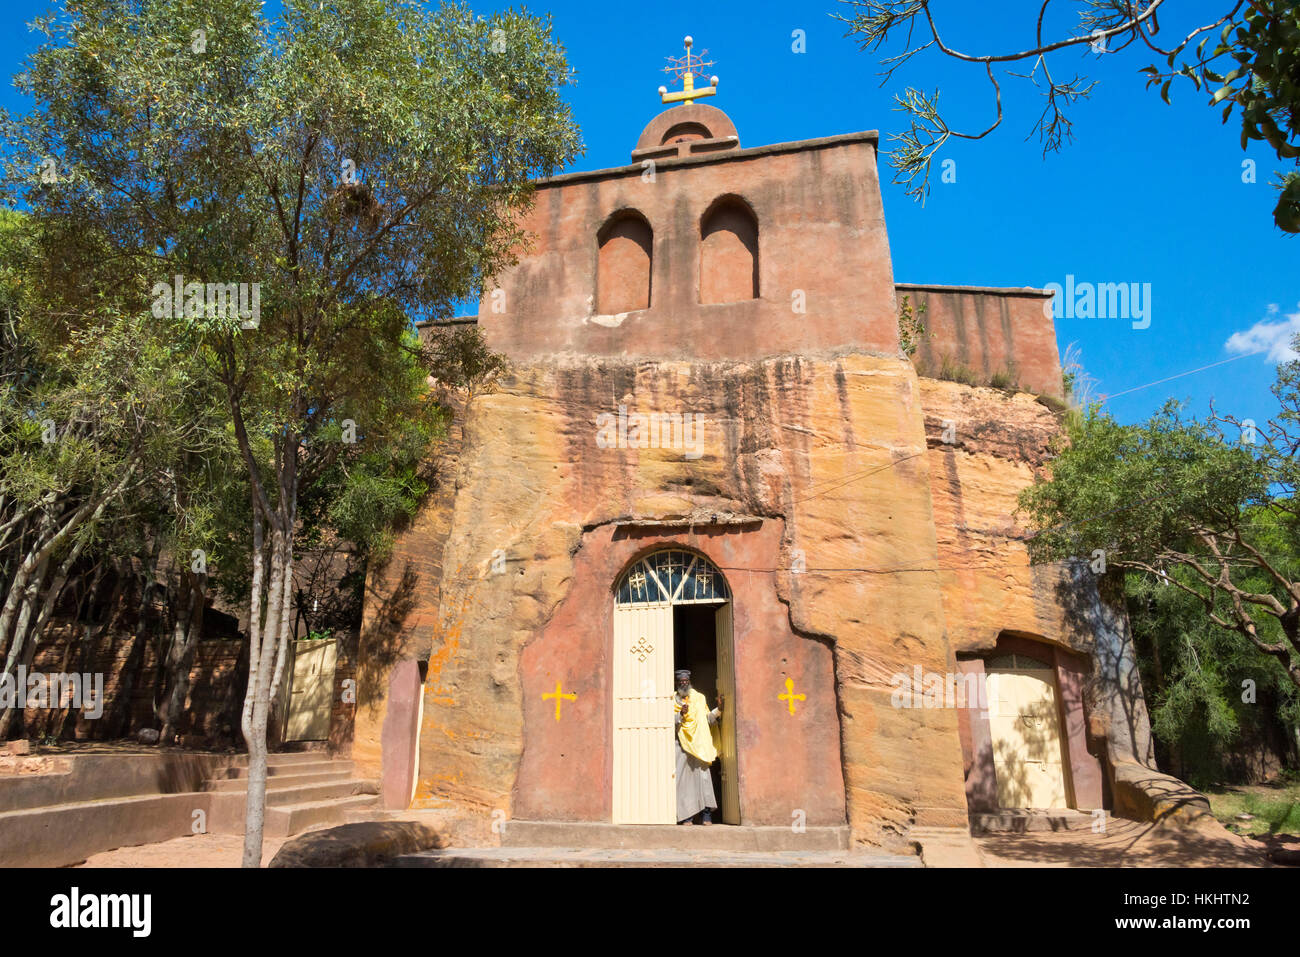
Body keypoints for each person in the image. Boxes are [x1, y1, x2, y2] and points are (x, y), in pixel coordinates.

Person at [673, 668, 725, 825]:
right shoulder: (672, 700)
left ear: (689, 682)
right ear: (677, 683)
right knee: (684, 783)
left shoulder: (699, 699)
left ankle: (706, 816)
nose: (683, 683)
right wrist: (680, 714)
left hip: (700, 745)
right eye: (681, 681)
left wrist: (719, 710)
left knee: (704, 781)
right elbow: (667, 722)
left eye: (686, 681)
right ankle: (687, 817)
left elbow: (709, 719)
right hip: (681, 746)